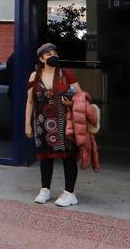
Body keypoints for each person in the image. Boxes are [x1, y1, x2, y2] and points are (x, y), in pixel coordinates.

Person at [26, 42, 94, 207]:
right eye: (48, 54)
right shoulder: (34, 76)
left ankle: (70, 193)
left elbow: (81, 96)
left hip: (65, 124)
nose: (53, 56)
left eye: (54, 53)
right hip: (42, 124)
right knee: (45, 157)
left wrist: (70, 103)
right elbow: (29, 102)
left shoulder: (66, 74)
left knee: (68, 158)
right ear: (41, 58)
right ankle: (45, 189)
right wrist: (27, 124)